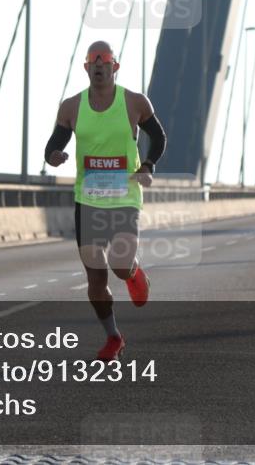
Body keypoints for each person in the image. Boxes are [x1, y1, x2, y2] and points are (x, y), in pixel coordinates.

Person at [44, 41, 166, 361]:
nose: (99, 65)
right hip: (88, 201)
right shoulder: (71, 107)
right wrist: (54, 156)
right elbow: (53, 144)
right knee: (96, 279)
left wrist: (149, 166)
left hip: (124, 198)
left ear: (115, 66)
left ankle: (135, 273)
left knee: (120, 266)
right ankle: (113, 337)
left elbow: (159, 137)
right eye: (93, 61)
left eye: (105, 60)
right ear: (86, 68)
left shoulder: (134, 102)